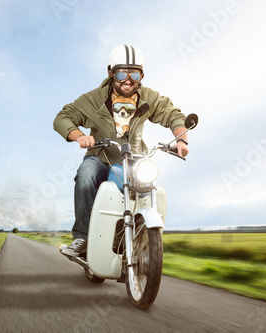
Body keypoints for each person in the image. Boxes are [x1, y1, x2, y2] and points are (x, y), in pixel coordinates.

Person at [53, 44, 189, 256]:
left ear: (141, 75)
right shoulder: (93, 99)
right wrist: (80, 136)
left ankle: (138, 238)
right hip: (100, 157)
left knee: (148, 188)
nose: (128, 79)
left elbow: (173, 114)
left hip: (133, 159)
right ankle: (82, 239)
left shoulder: (148, 97)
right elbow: (63, 117)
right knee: (85, 175)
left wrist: (182, 141)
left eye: (134, 73)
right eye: (122, 73)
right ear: (111, 73)